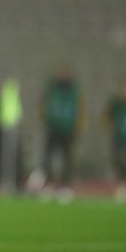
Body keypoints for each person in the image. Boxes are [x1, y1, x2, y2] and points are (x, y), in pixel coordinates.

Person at [39, 66, 83, 201]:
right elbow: (43, 104)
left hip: (68, 129)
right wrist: (45, 118)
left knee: (68, 159)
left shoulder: (74, 90)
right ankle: (49, 185)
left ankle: (65, 187)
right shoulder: (52, 88)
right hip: (53, 127)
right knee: (48, 157)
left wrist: (78, 124)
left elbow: (80, 106)